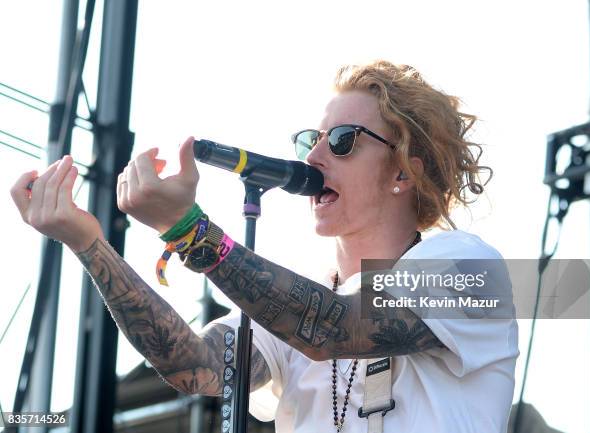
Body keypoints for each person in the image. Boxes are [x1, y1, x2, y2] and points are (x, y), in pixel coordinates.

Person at [11, 60, 518, 433]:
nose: (315, 155)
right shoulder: (294, 302)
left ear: (403, 171)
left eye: (342, 140)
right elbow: (193, 367)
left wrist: (189, 230)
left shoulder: (465, 265)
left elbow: (335, 327)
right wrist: (90, 245)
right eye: (309, 140)